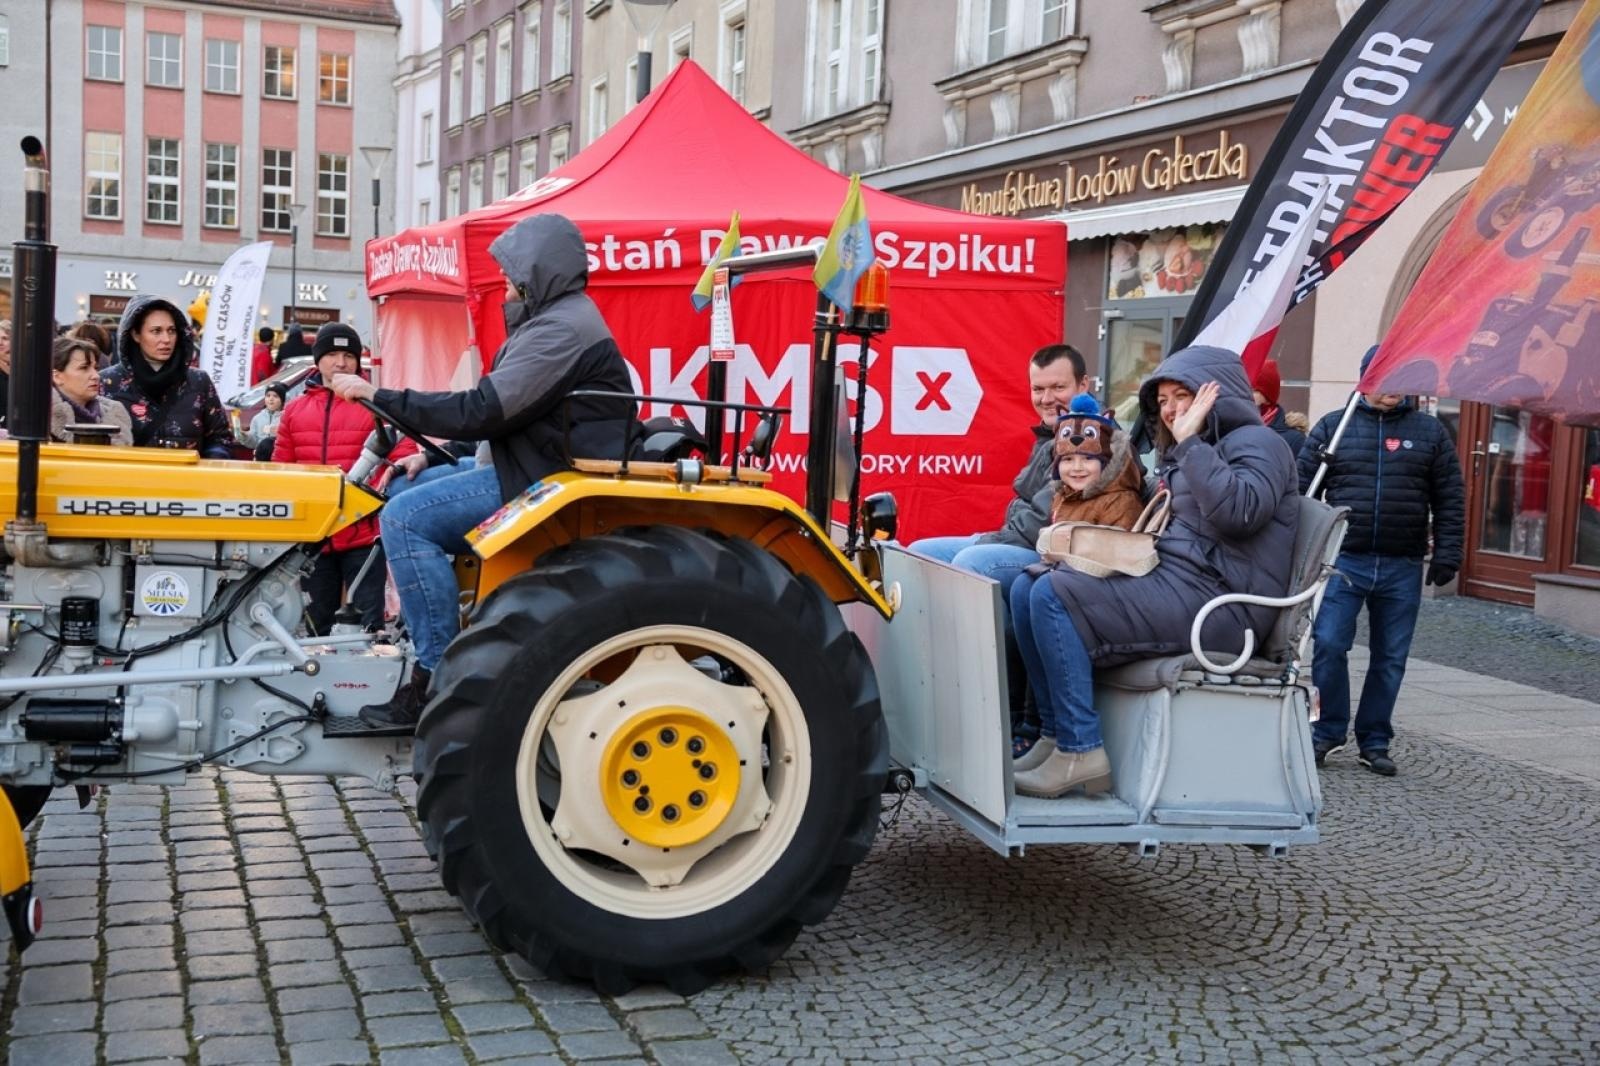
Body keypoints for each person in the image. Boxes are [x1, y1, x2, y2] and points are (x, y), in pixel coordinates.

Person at [329, 213, 636, 731]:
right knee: (410, 482)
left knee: (405, 518)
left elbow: (483, 408)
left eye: (514, 279)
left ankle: (435, 673)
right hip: (531, 459)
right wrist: (431, 451)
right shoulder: (556, 321)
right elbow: (511, 413)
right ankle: (430, 623)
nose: (508, 290)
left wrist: (379, 395)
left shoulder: (560, 329)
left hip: (541, 478)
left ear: (539, 276)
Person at [1009, 345, 1300, 798]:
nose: (1170, 410)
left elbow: (1239, 513)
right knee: (1030, 584)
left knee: (1054, 595)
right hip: (1181, 584)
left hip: (1224, 609)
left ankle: (1081, 749)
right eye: (1162, 400)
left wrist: (1189, 444)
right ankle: (1054, 736)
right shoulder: (1201, 447)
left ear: (1216, 396)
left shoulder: (1262, 444)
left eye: (1182, 395)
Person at [1300, 346, 1465, 777]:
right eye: (1384, 378)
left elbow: (1449, 497)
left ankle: (1374, 740)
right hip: (1344, 562)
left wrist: (1448, 552)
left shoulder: (1428, 432)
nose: (1393, 388)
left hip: (1401, 563)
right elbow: (1301, 493)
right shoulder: (1334, 429)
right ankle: (1326, 732)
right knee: (1330, 645)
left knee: (1390, 657)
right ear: (1365, 378)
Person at [908, 345, 1091, 594]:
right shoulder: (1052, 433)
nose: (1047, 399)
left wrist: (989, 540)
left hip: (1060, 553)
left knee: (971, 564)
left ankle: (995, 634)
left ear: (1083, 386)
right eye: (1038, 389)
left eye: (1058, 387)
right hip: (1024, 541)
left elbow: (1040, 524)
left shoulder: (1090, 438)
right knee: (920, 555)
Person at [274, 324, 420, 634]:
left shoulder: (376, 405)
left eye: (347, 355)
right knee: (314, 625)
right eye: (331, 354)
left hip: (364, 535)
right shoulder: (294, 410)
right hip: (314, 537)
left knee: (369, 627)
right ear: (318, 360)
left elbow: (404, 454)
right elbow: (281, 469)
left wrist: (393, 477)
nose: (340, 363)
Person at [99, 295, 234, 457]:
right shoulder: (108, 382)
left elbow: (220, 438)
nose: (166, 339)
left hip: (187, 480)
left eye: (171, 331)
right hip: (129, 480)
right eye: (156, 331)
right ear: (135, 334)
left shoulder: (198, 381)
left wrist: (209, 467)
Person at [49, 336, 132, 445]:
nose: (96, 376)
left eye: (96, 368)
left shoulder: (115, 414)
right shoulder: (38, 419)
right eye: (84, 368)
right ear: (57, 376)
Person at [1252, 358, 1306, 457]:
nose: (1245, 393)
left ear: (1268, 398)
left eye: (1253, 389)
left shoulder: (1293, 439)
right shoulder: (1230, 429)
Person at [245, 382, 288, 460]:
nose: (271, 399)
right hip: (260, 459)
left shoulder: (286, 417)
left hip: (278, 458)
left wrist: (277, 432)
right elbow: (253, 442)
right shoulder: (257, 418)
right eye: (268, 396)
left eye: (275, 396)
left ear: (282, 400)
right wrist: (243, 436)